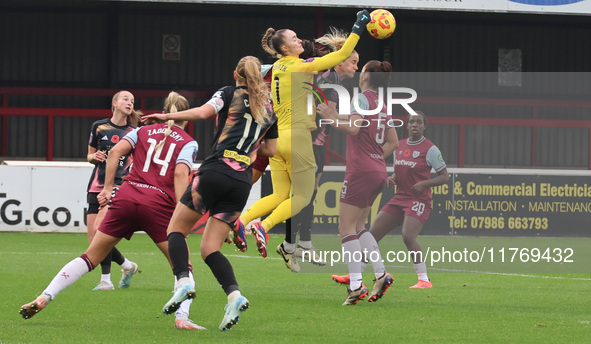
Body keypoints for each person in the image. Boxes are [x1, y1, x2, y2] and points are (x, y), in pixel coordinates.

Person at [20, 92, 205, 330]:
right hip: (158, 205)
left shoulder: (140, 131)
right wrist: (182, 215)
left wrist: (107, 189)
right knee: (183, 265)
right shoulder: (188, 141)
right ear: (185, 117)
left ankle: (45, 296)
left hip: (126, 197)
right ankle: (182, 317)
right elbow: (180, 174)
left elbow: (115, 152)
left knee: (90, 257)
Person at [143, 56, 278, 332]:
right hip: (241, 180)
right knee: (210, 248)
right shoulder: (269, 109)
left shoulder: (229, 93)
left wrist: (169, 115)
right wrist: (250, 144)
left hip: (215, 170)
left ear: (235, 74)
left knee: (176, 230)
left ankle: (184, 282)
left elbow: (205, 112)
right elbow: (270, 150)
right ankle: (234, 296)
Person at [233, 10, 372, 262]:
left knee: (277, 195)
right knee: (303, 197)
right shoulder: (299, 65)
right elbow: (340, 56)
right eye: (295, 38)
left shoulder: (277, 67)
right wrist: (358, 27)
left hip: (276, 140)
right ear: (285, 47)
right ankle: (263, 227)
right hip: (297, 138)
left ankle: (242, 221)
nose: (300, 41)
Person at [332, 110, 449, 289]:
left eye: (419, 122)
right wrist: (393, 178)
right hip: (399, 198)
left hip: (419, 200)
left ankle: (424, 279)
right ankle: (355, 274)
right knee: (371, 234)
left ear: (424, 126)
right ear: (407, 125)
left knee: (408, 236)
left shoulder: (430, 149)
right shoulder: (399, 146)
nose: (415, 125)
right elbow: (400, 170)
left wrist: (424, 184)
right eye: (411, 122)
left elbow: (444, 177)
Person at [317, 60, 399, 305]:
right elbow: (393, 142)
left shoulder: (360, 99)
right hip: (378, 170)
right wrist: (374, 158)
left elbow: (353, 129)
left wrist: (330, 119)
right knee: (360, 225)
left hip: (361, 171)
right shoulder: (382, 105)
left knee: (346, 228)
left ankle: (355, 285)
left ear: (365, 76)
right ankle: (381, 274)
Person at [288, 29, 361, 272]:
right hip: (311, 142)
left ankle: (302, 244)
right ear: (341, 60)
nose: (355, 67)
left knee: (308, 193)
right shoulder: (332, 79)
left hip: (312, 141)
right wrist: (352, 119)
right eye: (353, 61)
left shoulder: (328, 77)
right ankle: (293, 244)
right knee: (304, 194)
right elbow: (325, 113)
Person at [86, 90, 140, 290]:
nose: (129, 102)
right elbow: (89, 155)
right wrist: (95, 157)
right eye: (126, 99)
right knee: (93, 238)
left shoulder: (135, 132)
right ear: (115, 103)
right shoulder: (98, 127)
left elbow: (137, 161)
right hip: (96, 185)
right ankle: (127, 266)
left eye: (132, 101)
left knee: (101, 232)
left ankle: (105, 280)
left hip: (117, 186)